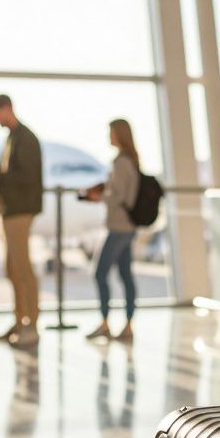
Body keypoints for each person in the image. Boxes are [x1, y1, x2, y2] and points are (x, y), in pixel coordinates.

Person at [0, 94, 43, 347]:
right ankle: (20, 320)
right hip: (8, 210)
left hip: (19, 211)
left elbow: (25, 176)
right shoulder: (12, 138)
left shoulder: (26, 139)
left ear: (7, 109)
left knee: (22, 268)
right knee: (12, 268)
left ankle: (31, 323)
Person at [82, 119, 141, 342]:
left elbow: (118, 196)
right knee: (125, 275)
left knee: (100, 273)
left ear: (119, 135)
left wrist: (98, 197)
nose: (109, 137)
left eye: (111, 133)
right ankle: (127, 325)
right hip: (128, 227)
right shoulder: (131, 161)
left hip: (119, 227)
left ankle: (105, 323)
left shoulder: (121, 163)